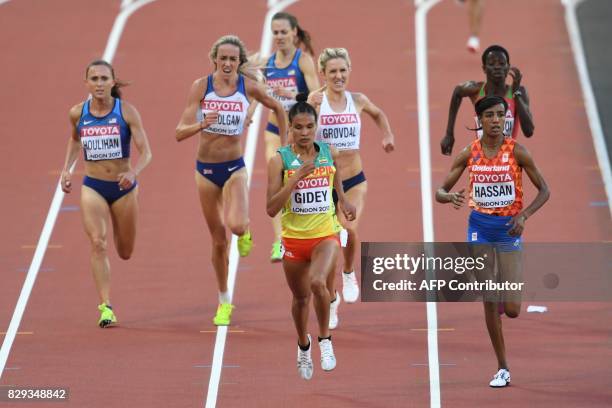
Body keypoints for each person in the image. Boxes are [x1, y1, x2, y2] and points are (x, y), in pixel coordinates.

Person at [435, 96, 549, 387]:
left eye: (501, 115)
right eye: (490, 115)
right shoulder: (469, 152)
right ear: (480, 121)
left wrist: (524, 216)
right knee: (489, 295)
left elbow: (544, 191)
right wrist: (450, 197)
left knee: (511, 309)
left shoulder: (518, 152)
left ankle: (500, 289)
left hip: (509, 231)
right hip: (480, 231)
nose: (497, 120)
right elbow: (440, 190)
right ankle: (502, 367)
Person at [175, 35, 287, 326]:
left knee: (236, 225)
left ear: (240, 63)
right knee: (218, 241)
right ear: (214, 59)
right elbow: (179, 132)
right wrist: (202, 123)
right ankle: (224, 300)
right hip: (205, 172)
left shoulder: (248, 86)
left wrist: (285, 148)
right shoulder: (201, 88)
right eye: (222, 58)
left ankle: (246, 230)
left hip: (234, 167)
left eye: (232, 59)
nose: (227, 63)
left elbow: (277, 108)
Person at [266, 94, 356, 380]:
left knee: (319, 283)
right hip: (293, 239)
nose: (304, 133)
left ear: (316, 126)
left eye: (309, 127)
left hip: (324, 234)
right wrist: (295, 178)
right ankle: (303, 346)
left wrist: (343, 200)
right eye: (298, 128)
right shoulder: (279, 160)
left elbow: (336, 178)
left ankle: (325, 341)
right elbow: (270, 209)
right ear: (290, 129)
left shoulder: (327, 151)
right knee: (300, 299)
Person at [60, 60, 153, 328]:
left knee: (125, 251)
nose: (99, 83)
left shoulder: (127, 112)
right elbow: (75, 140)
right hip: (94, 187)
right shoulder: (78, 113)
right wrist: (67, 169)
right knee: (98, 243)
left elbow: (146, 151)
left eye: (104, 78)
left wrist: (134, 172)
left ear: (113, 82)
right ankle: (106, 306)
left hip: (123, 190)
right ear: (86, 83)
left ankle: (118, 225)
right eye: (94, 79)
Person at [308, 48, 394, 328]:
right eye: (332, 71)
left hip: (354, 179)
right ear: (323, 73)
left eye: (342, 70)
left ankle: (348, 272)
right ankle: (331, 301)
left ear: (349, 71)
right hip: (324, 183)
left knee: (349, 228)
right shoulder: (315, 103)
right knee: (328, 244)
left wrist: (387, 136)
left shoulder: (357, 100)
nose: (338, 76)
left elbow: (379, 114)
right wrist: (308, 108)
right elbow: (293, 138)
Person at [254, 12, 319, 262]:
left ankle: (309, 231)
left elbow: (315, 96)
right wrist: (249, 111)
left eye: (283, 32)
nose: (279, 36)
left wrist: (293, 94)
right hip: (273, 131)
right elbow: (258, 93)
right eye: (275, 32)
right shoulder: (267, 63)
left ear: (294, 32)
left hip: (298, 133)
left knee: (301, 184)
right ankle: (279, 240)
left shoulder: (304, 61)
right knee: (277, 181)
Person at [440, 44, 535, 156]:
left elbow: (529, 132)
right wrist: (449, 134)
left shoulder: (518, 92)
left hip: (507, 162)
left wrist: (516, 93)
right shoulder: (476, 90)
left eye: (501, 63)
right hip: (481, 161)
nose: (497, 67)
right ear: (484, 68)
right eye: (491, 64)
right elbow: (457, 92)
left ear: (508, 67)